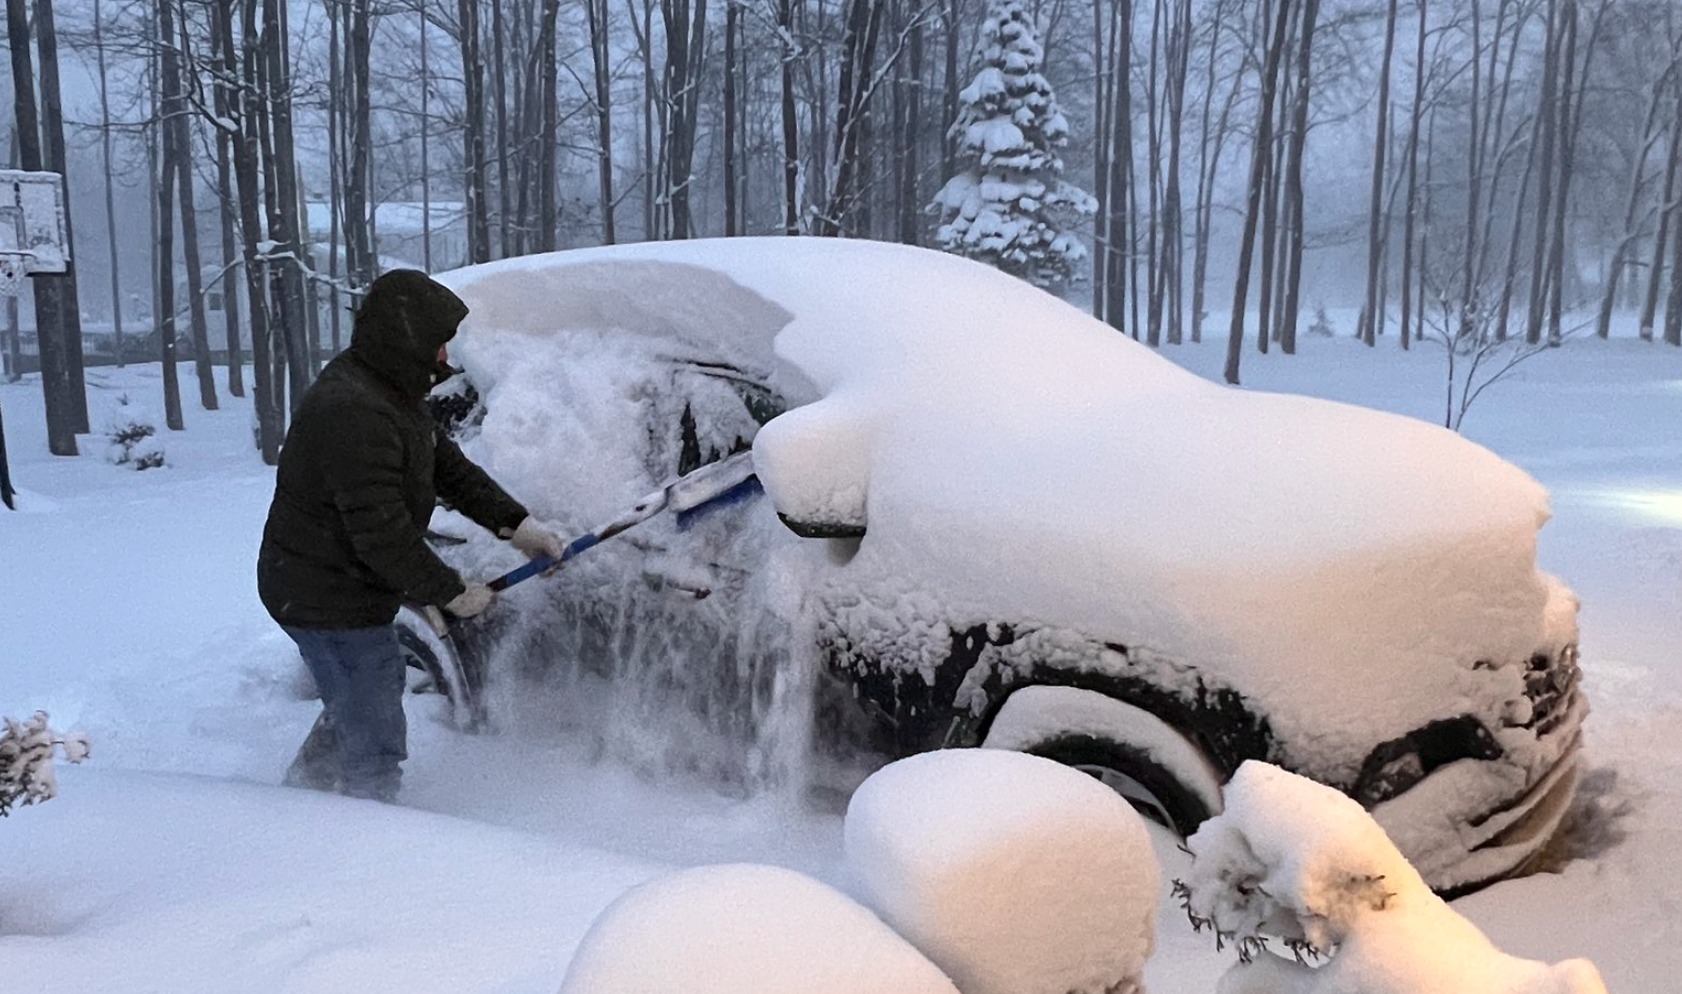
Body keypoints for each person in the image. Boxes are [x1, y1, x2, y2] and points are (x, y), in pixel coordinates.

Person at [257, 269, 567, 802]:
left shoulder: (388, 392)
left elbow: (450, 470)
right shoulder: (352, 411)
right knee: (374, 729)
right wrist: (451, 593)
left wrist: (518, 527)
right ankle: (365, 825)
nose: (445, 357)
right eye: (438, 343)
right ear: (406, 339)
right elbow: (382, 535)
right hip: (322, 593)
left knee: (359, 701)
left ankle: (302, 798)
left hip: (342, 581)